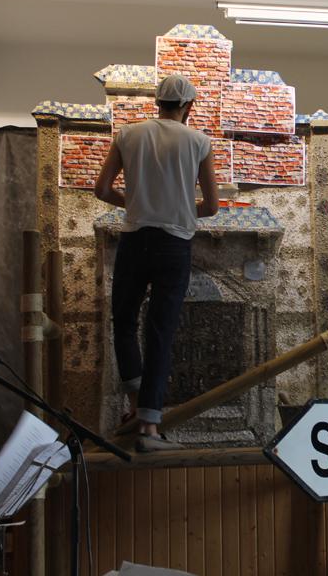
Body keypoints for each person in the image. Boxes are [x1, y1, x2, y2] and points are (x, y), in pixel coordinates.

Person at [95, 74, 219, 452]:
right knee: (160, 331)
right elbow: (211, 207)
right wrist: (181, 210)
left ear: (157, 102)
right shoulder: (199, 142)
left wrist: (134, 205)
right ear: (189, 107)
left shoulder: (127, 135)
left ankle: (134, 407)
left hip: (135, 239)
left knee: (125, 322)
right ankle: (150, 428)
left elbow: (101, 189)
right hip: (175, 244)